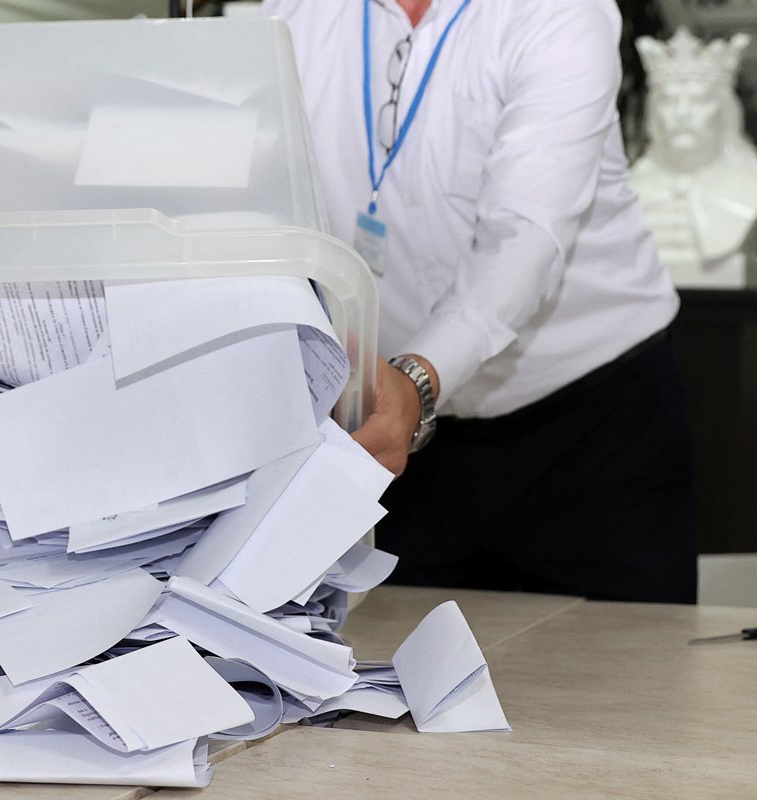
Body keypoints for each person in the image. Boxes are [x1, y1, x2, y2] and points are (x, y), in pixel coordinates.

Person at [262, 0, 698, 603]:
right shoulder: (294, 12)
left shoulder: (560, 12)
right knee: (398, 680)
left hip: (593, 429)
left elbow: (525, 235)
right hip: (400, 436)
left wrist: (416, 380)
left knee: (631, 681)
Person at [630, 27, 757, 288]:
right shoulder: (627, 191)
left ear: (724, 111)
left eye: (700, 100)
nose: (682, 113)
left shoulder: (750, 186)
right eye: (668, 100)